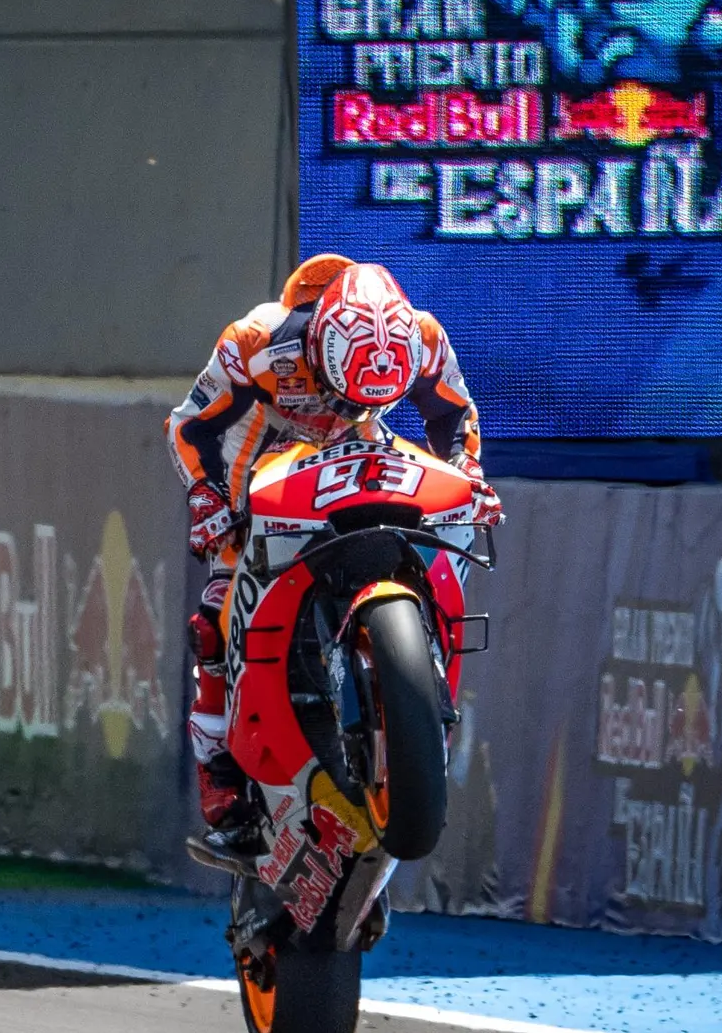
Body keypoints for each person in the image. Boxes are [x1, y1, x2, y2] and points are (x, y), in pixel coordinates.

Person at [164, 255, 503, 842]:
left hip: (370, 455)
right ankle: (219, 772)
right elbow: (188, 426)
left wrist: (469, 473)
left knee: (442, 533)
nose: (343, 403)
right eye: (338, 392)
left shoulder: (422, 337)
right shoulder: (255, 341)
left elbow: (455, 414)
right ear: (319, 345)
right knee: (218, 612)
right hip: (264, 467)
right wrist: (206, 496)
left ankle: (416, 689)